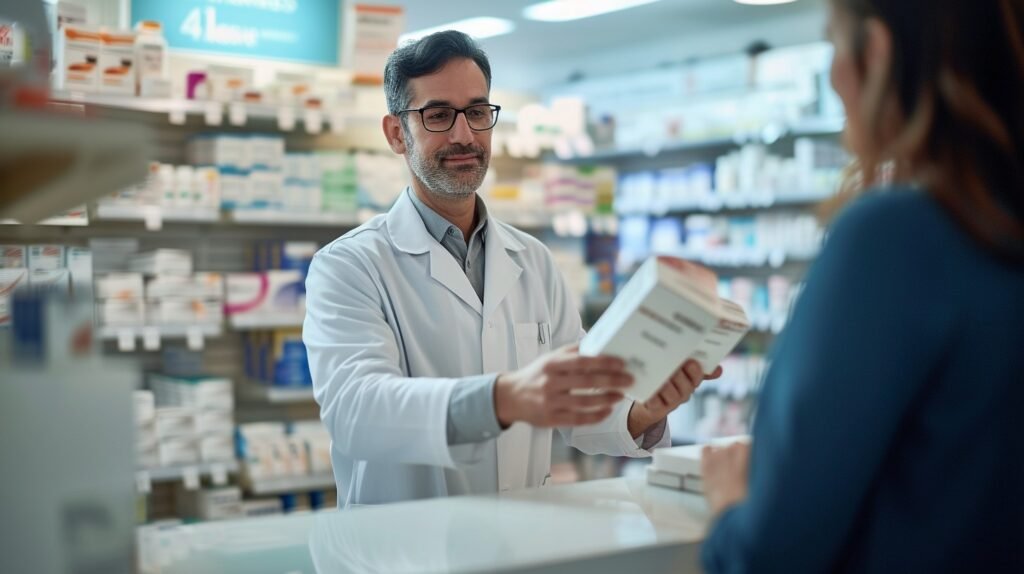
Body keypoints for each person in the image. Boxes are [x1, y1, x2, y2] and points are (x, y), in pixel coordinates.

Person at [303, 31, 721, 507]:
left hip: (519, 539)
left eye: (478, 112)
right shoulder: (349, 266)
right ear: (398, 134)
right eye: (439, 115)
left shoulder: (533, 260)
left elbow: (574, 406)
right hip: (402, 549)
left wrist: (641, 411)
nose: (465, 135)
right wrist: (504, 399)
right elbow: (356, 413)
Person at [700, 0, 1024, 572]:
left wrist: (730, 508)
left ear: (875, 51)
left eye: (833, 44)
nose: (832, 74)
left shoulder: (896, 236)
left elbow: (773, 555)